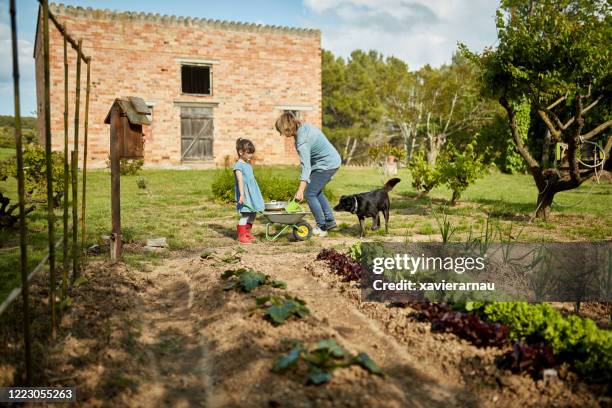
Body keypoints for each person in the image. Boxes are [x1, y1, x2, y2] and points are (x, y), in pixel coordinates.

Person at [275, 112, 341, 237]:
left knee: (309, 194)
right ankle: (330, 221)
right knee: (316, 191)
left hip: (327, 164)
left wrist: (300, 191)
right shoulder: (304, 128)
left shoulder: (302, 142)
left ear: (288, 129)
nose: (282, 135)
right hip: (329, 161)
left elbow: (306, 167)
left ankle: (322, 226)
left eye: (282, 131)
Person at [233, 138, 264, 244]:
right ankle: (241, 235)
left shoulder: (248, 164)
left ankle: (247, 231)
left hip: (252, 193)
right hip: (245, 194)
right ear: (241, 152)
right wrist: (241, 195)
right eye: (249, 153)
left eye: (252, 153)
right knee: (245, 214)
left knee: (253, 213)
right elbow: (240, 181)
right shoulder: (238, 166)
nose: (251, 155)